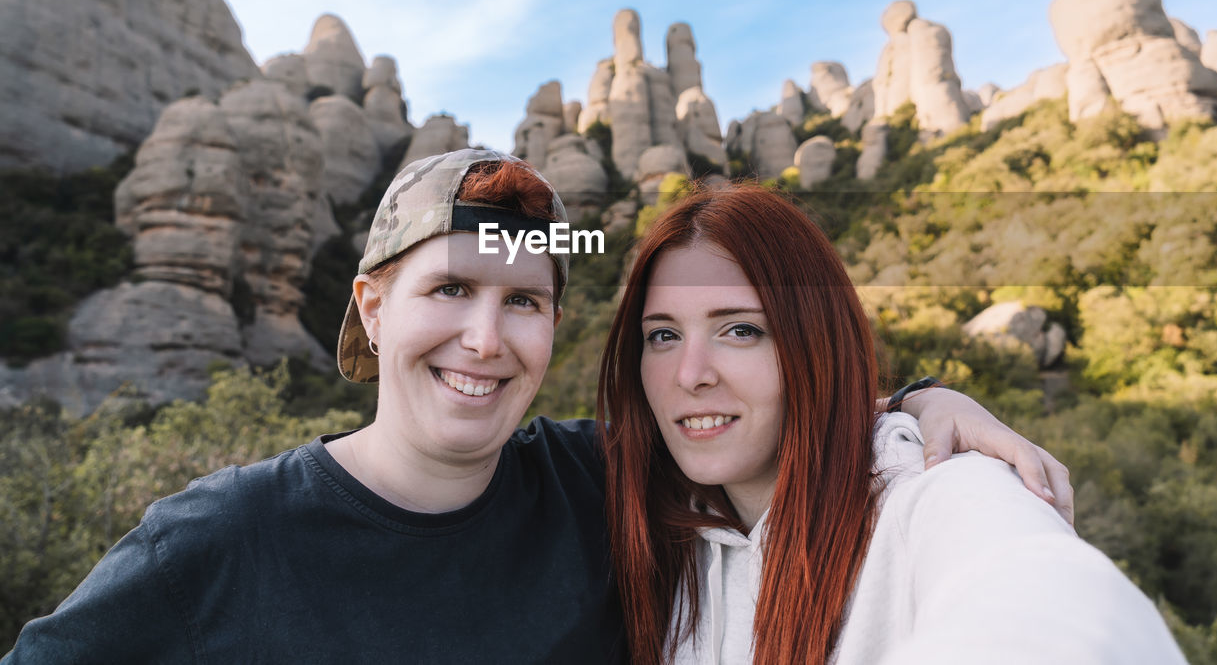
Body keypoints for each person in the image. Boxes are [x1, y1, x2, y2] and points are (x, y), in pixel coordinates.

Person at [5, 149, 1073, 663]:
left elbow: (748, 405)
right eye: (450, 291)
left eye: (523, 301)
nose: (484, 338)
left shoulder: (597, 476)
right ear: (373, 305)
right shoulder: (226, 536)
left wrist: (925, 398)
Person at [598, 183, 1187, 665]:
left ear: (815, 343)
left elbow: (1069, 612)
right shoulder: (649, 517)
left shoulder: (938, 488)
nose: (689, 373)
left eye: (741, 330)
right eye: (663, 336)